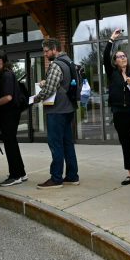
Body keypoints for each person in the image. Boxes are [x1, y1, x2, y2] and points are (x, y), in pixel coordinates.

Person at [32, 38, 79, 189]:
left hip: (57, 110)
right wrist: (46, 83)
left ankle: (56, 178)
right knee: (67, 144)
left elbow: (50, 89)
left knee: (55, 144)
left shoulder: (56, 65)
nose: (45, 54)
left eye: (46, 51)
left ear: (54, 49)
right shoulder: (68, 62)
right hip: (69, 108)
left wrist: (35, 98)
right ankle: (72, 176)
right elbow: (60, 83)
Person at [104, 29, 130, 187]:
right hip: (119, 113)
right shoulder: (112, 73)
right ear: (115, 61)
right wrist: (111, 40)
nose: (122, 58)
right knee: (125, 142)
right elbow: (105, 57)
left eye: (124, 56)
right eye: (118, 57)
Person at [0, 50, 28, 187]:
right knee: (12, 143)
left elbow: (8, 97)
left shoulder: (6, 75)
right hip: (11, 113)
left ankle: (15, 175)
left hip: (10, 113)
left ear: (0, 60)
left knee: (10, 143)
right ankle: (21, 173)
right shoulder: (6, 74)